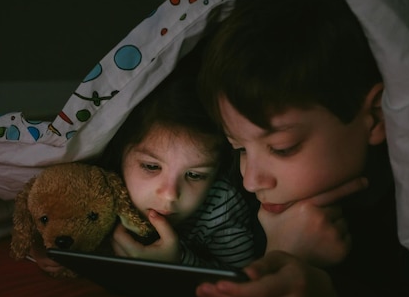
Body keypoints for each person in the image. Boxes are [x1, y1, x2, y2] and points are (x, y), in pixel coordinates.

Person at [193, 0, 409, 297]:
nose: (252, 179)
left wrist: (323, 296)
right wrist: (283, 250)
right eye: (238, 148)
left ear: (375, 116)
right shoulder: (250, 193)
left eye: (282, 148)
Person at [28, 61, 258, 273]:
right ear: (121, 154)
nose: (169, 194)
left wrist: (177, 261)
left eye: (194, 175)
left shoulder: (220, 207)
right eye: (151, 166)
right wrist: (46, 247)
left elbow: (241, 278)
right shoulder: (102, 187)